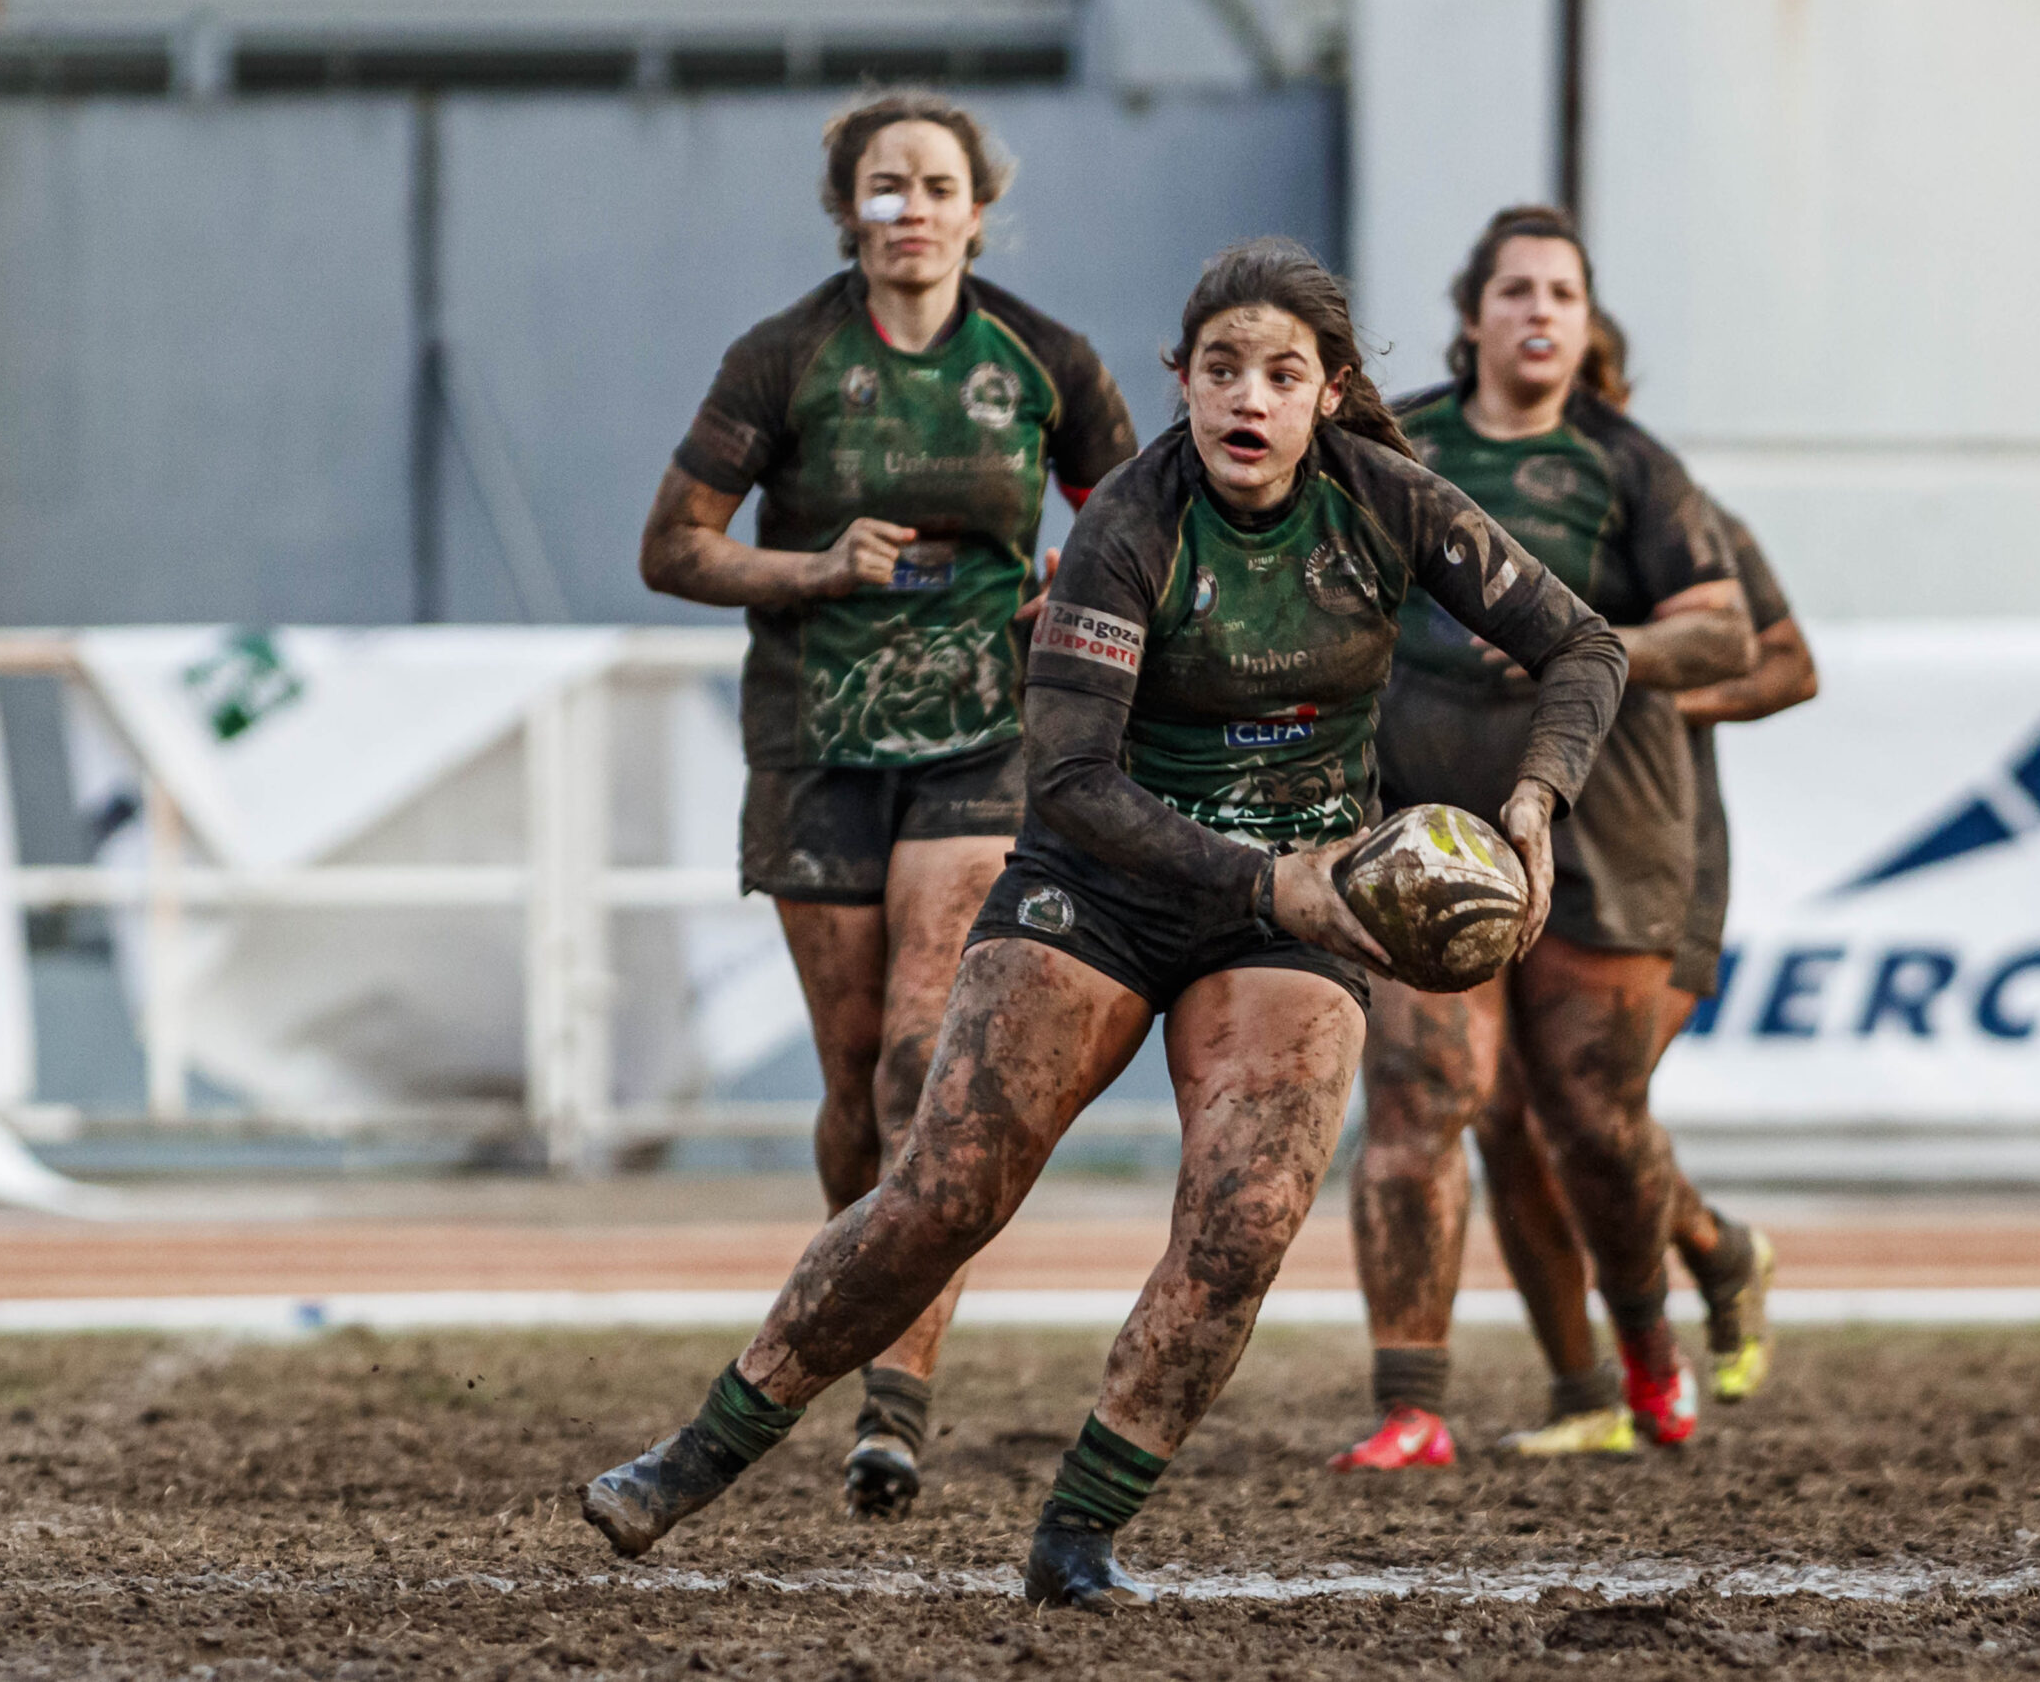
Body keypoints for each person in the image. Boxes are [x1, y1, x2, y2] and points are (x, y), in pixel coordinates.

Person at [581, 238, 1630, 1609]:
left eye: (1283, 373)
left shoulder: (1386, 499)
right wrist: (1277, 884)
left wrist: (1537, 801)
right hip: (1108, 881)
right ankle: (696, 1451)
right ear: (1180, 381)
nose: (1248, 398)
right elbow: (1072, 780)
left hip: (1294, 900)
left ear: (1330, 392)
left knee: (1244, 1218)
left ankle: (1078, 1534)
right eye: (1221, 369)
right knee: (945, 1188)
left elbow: (1587, 646)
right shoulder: (1134, 525)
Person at [636, 91, 1136, 1518]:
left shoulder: (1046, 360)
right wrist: (810, 569)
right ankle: (862, 1303)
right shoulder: (785, 356)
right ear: (846, 210)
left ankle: (896, 1399)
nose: (911, 207)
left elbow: (1128, 521)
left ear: (979, 209)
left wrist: (1075, 580)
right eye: (882, 186)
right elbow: (672, 546)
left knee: (929, 1055)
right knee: (856, 1076)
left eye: (936, 184)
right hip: (816, 744)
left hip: (983, 743)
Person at [1335, 206, 1759, 1472]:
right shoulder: (1392, 451)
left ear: (1586, 322)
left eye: (1561, 294)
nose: (1537, 313)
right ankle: (1411, 1403)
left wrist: (1574, 638)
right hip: (1422, 824)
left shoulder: (1629, 466)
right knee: (1419, 1095)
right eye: (1513, 291)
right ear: (1472, 318)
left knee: (1589, 1117)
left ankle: (1645, 1361)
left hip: (1599, 821)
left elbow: (1735, 636)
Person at [1475, 494, 1818, 1455]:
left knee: (1575, 1112)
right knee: (1502, 1117)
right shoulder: (1443, 487)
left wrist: (1618, 698)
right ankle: (1584, 1394)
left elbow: (1789, 664)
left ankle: (1712, 1248)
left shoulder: (1663, 505)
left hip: (1650, 856)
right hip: (1510, 842)